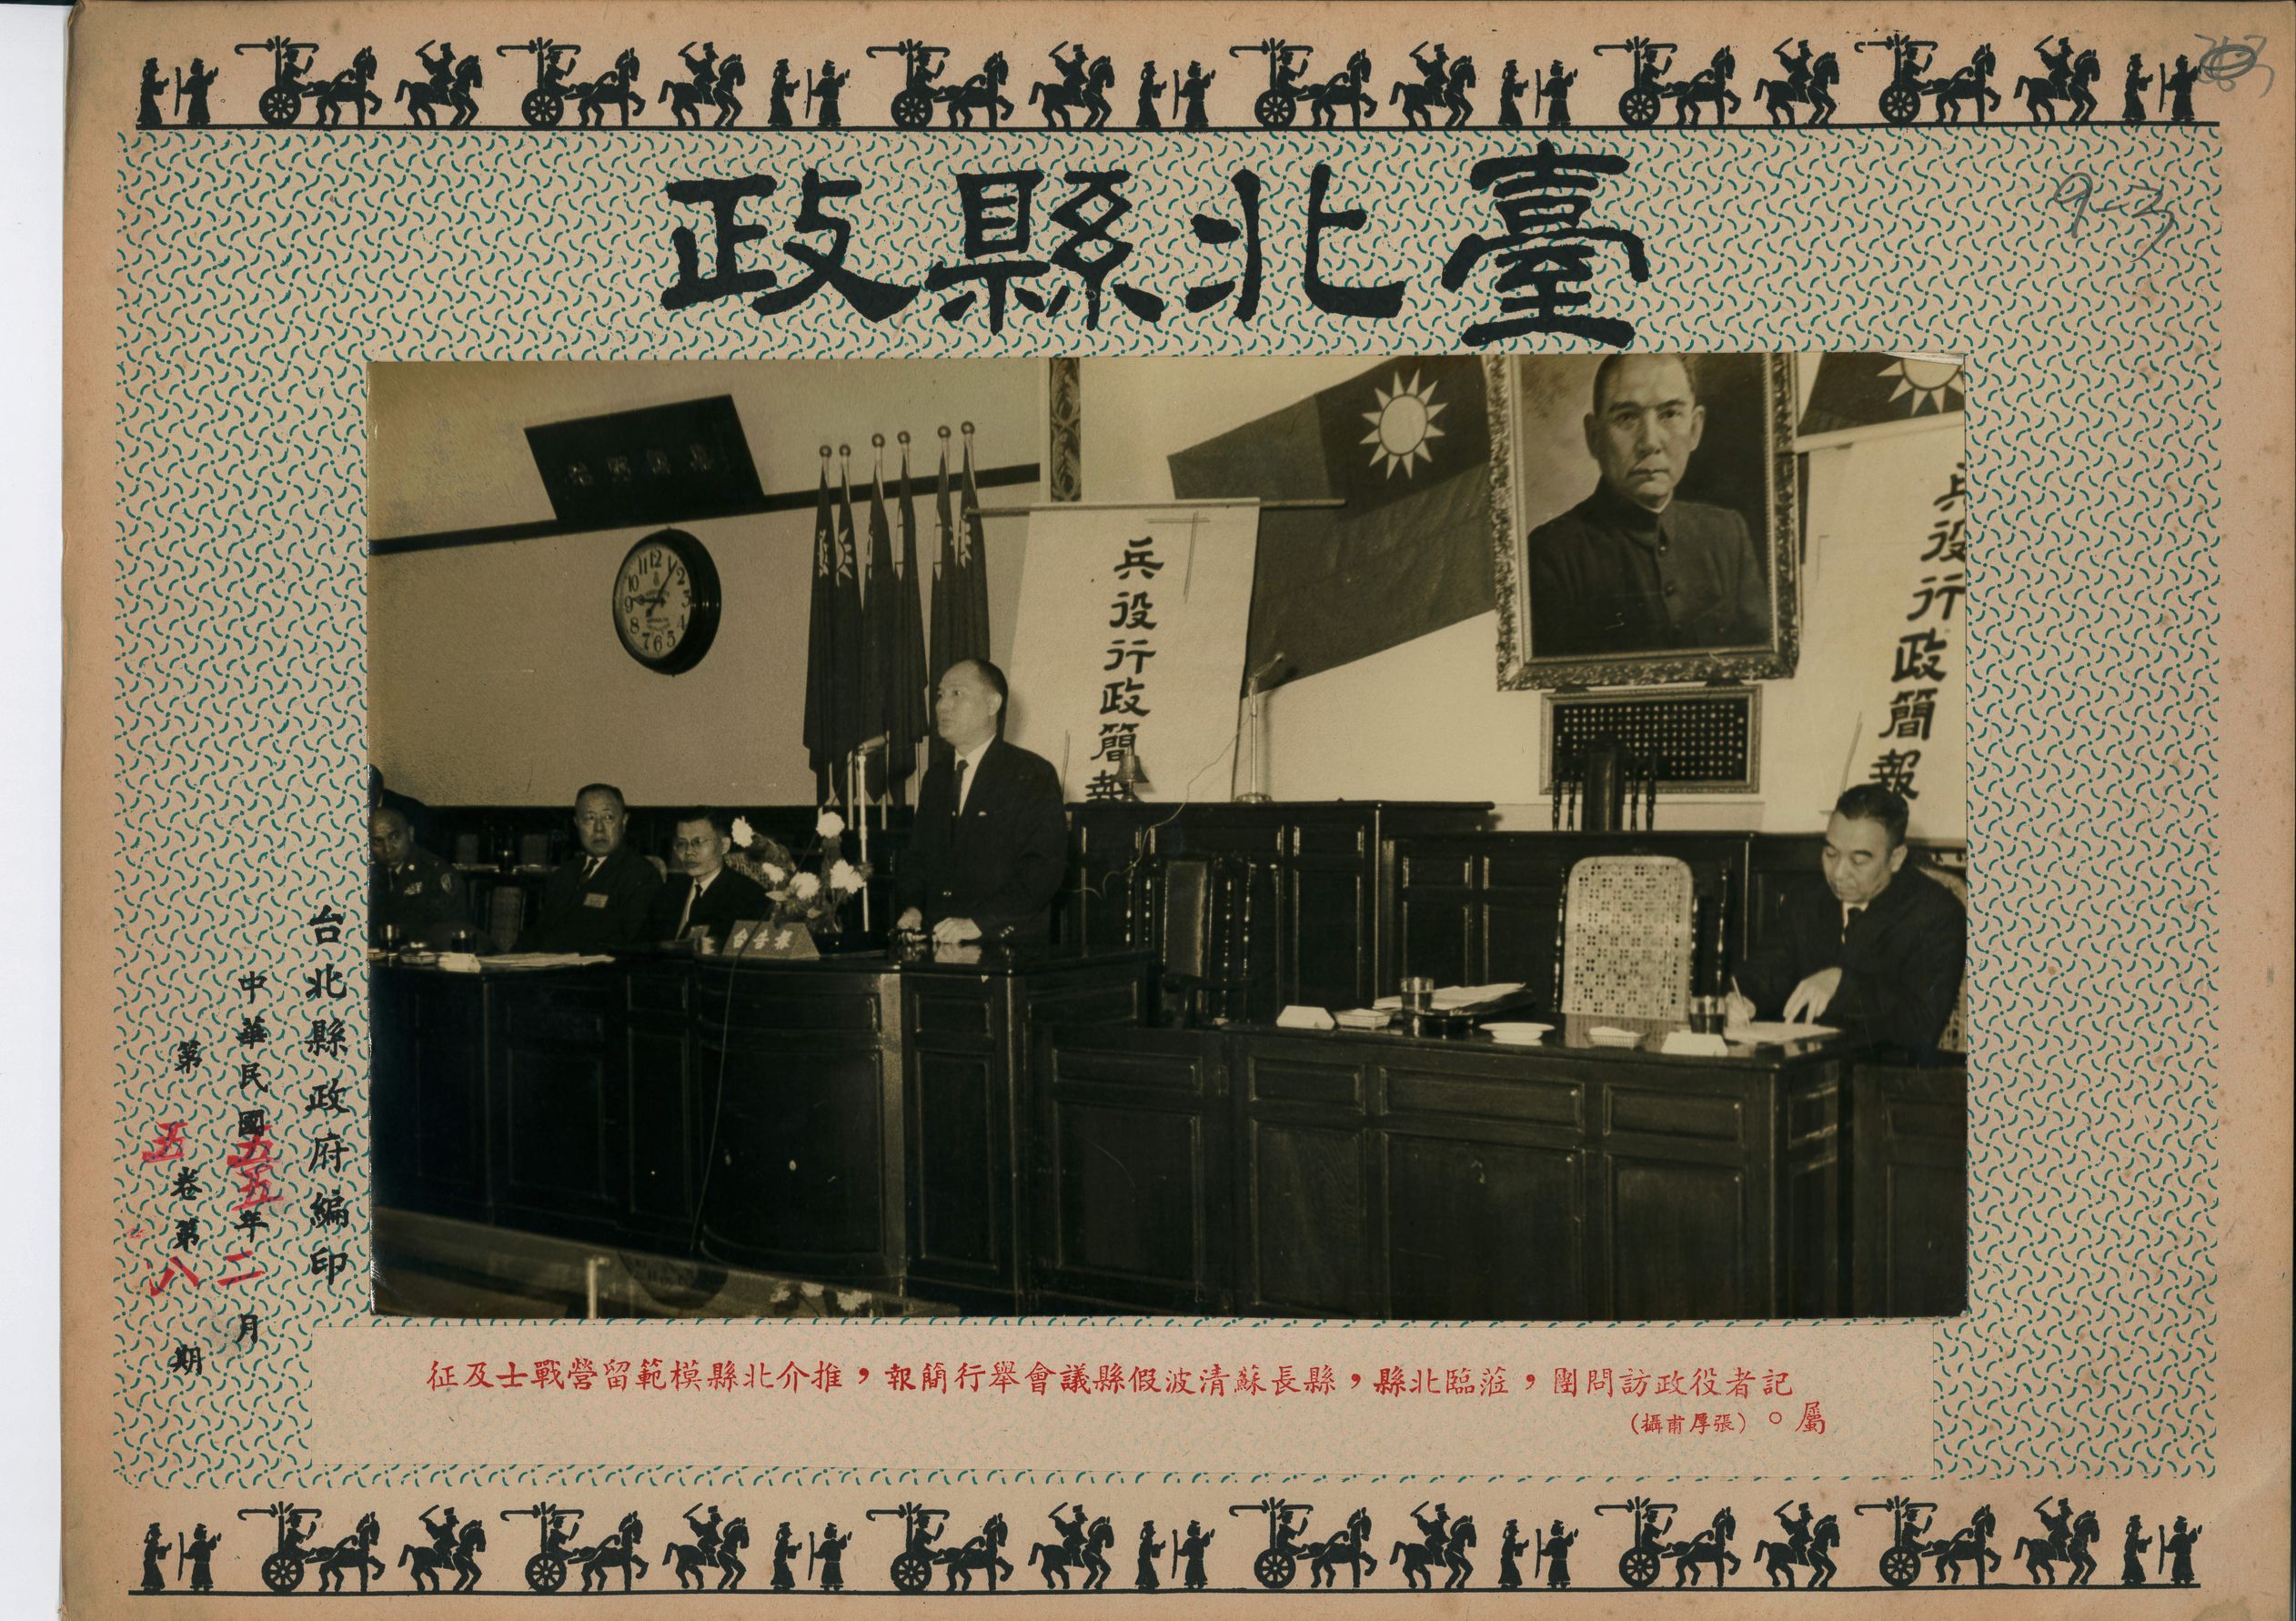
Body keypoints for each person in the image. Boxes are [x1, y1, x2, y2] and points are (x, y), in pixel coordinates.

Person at [1526, 354, 1769, 659]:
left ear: (1695, 429)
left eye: (1669, 414)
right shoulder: (1551, 555)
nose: (1650, 442)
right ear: (1594, 437)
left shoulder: (1728, 532)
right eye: (1626, 417)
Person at [1729, 784, 1967, 1055]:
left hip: (1883, 1073)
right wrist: (1745, 997)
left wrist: (1842, 984)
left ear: (1896, 859)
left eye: (1858, 861)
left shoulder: (1936, 913)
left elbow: (1920, 1024)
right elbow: (1769, 968)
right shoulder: (1805, 899)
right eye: (1831, 854)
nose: (1838, 873)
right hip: (1804, 1065)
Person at [894, 659, 1068, 948]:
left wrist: (978, 923)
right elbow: (918, 858)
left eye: (957, 694)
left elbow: (1042, 870)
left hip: (1005, 946)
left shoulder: (1032, 774)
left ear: (992, 704)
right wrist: (913, 907)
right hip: (940, 945)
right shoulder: (936, 778)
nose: (942, 706)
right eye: (940, 695)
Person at [524, 783, 662, 951]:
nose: (599, 829)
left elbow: (624, 943)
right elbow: (537, 933)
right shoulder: (562, 875)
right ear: (577, 823)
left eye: (608, 818)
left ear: (624, 821)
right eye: (589, 818)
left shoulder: (641, 875)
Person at [644, 810, 769, 945]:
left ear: (724, 846)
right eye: (682, 843)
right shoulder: (667, 893)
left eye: (698, 842)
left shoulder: (749, 896)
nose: (688, 852)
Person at [370, 805, 467, 949]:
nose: (388, 848)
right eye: (378, 842)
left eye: (395, 837)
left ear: (410, 833)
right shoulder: (372, 874)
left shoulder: (435, 872)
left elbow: (449, 932)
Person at [2120, 1515, 2151, 1584]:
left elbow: (2137, 1544)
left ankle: (2132, 1580)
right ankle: (2132, 1580)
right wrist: (2146, 1542)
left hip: (2131, 1556)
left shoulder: (2134, 1535)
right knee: (2134, 1568)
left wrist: (2145, 1542)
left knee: (2133, 1568)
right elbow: (2135, 1544)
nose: (2140, 1529)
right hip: (2130, 1556)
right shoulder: (2132, 1535)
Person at [1135, 1521, 1163, 1589]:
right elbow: (1150, 1549)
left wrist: (1159, 1547)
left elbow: (1150, 1549)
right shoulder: (1148, 1540)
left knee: (1146, 1572)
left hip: (1144, 1560)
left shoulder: (1147, 1539)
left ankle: (1146, 1585)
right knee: (1147, 1572)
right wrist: (1159, 1547)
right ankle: (1146, 1585)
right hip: (1145, 1560)